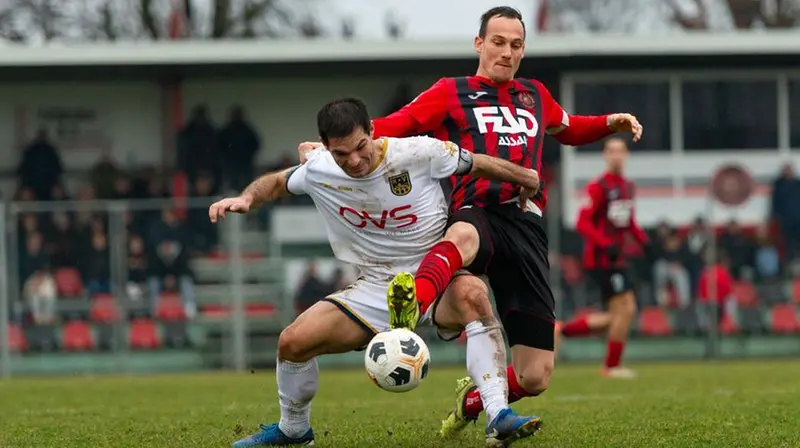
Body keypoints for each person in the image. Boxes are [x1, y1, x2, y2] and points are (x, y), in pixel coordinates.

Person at [298, 5, 643, 436]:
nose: (507, 52)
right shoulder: (450, 91)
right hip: (476, 209)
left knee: (536, 375)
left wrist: (610, 123)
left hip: (526, 225)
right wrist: (334, 146)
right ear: (479, 43)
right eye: (498, 42)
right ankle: (411, 310)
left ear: (523, 50)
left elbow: (568, 127)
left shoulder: (535, 95)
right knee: (461, 235)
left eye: (516, 45)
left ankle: (476, 398)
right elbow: (397, 125)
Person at [212, 98, 543, 447]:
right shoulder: (319, 168)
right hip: (375, 286)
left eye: (360, 147)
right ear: (325, 148)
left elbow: (474, 163)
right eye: (341, 154)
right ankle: (294, 430)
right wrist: (247, 198)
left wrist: (525, 177)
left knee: (475, 294)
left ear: (372, 131)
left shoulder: (418, 152)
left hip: (435, 277)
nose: (354, 160)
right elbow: (276, 183)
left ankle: (497, 414)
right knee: (292, 343)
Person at [557, 137, 650, 378]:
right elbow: (582, 222)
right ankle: (611, 366)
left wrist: (645, 242)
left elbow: (628, 221)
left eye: (620, 151)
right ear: (605, 156)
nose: (616, 156)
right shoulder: (598, 187)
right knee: (627, 308)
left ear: (626, 155)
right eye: (611, 151)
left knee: (617, 316)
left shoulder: (628, 186)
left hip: (617, 259)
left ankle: (562, 330)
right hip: (601, 260)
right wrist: (606, 243)